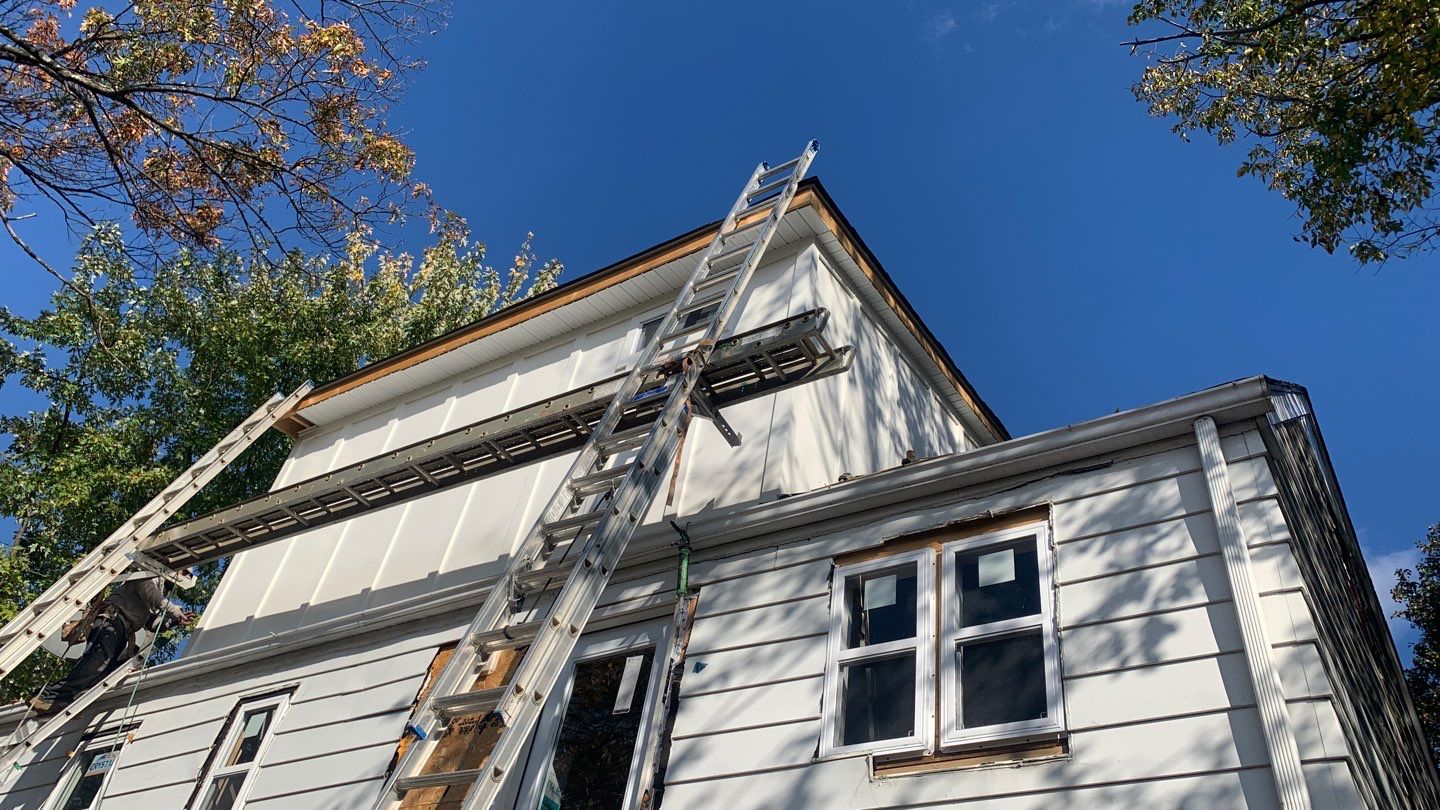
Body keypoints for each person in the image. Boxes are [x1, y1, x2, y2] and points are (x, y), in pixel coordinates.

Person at [29, 573, 194, 714]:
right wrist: (173, 610)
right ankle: (49, 697)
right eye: (185, 573)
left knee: (108, 670)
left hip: (123, 629)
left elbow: (151, 624)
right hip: (113, 619)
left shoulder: (161, 591)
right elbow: (146, 589)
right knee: (97, 662)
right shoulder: (151, 572)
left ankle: (64, 697)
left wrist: (173, 621)